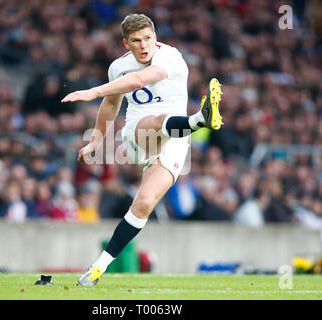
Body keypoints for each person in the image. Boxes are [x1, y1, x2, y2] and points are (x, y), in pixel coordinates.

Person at [61, 13, 223, 286]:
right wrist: (95, 141)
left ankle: (97, 268)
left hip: (176, 140)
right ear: (126, 43)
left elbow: (146, 78)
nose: (144, 45)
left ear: (155, 36)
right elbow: (112, 106)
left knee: (144, 204)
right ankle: (199, 120)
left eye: (148, 38)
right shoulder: (118, 68)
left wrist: (92, 91)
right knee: (156, 122)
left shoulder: (170, 56)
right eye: (136, 40)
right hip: (138, 134)